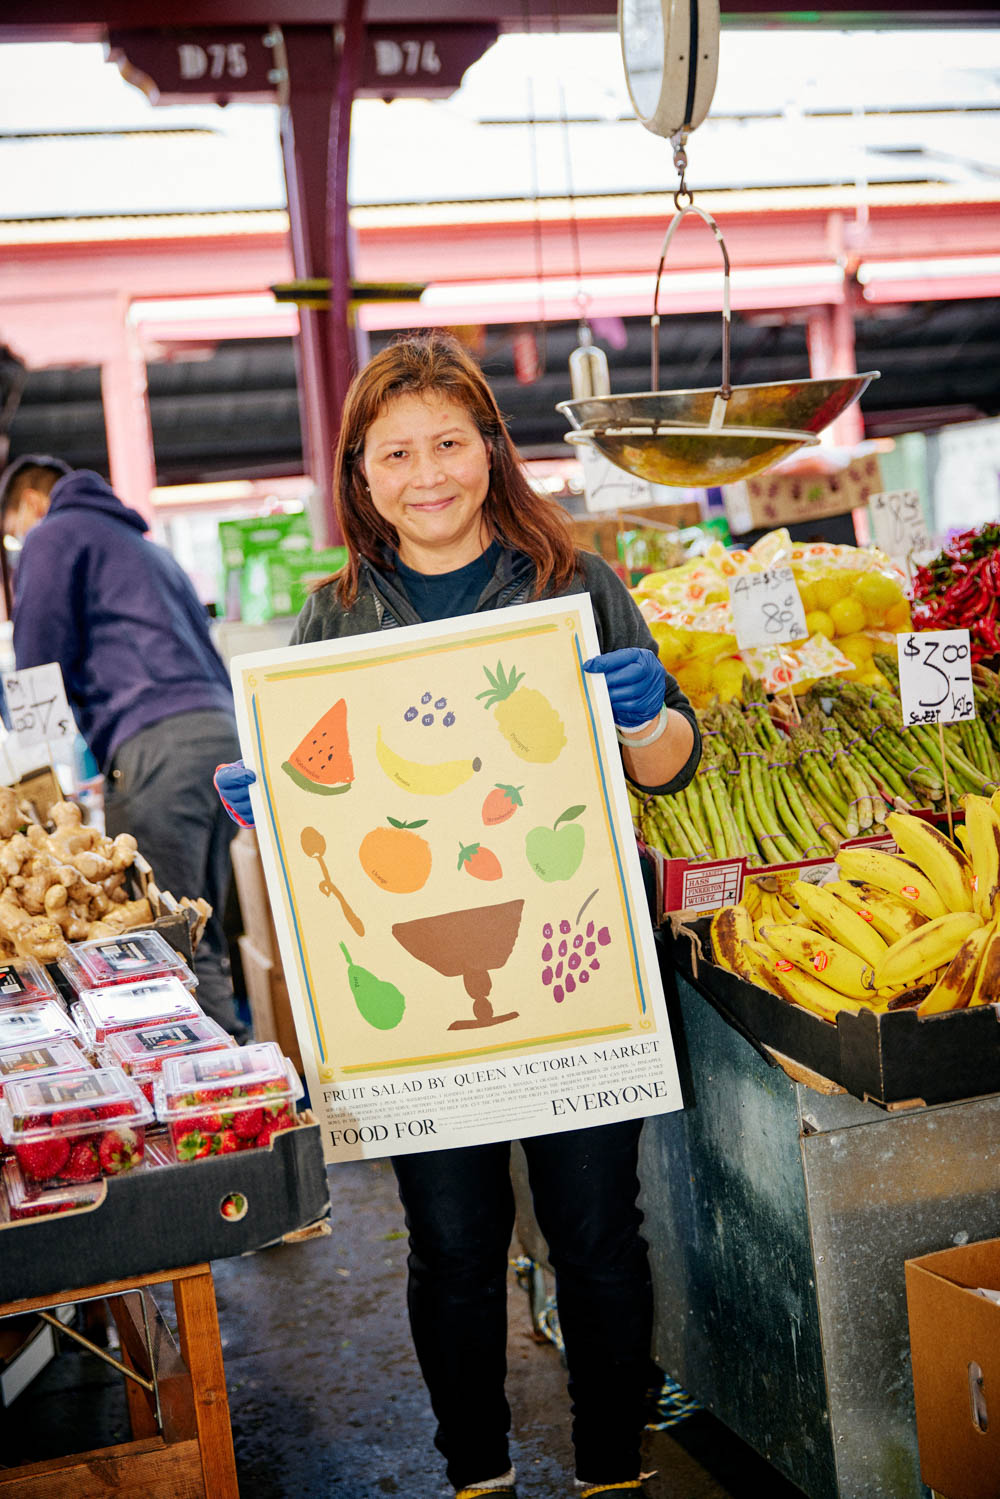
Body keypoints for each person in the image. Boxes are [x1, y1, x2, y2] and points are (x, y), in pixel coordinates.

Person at [214, 333, 701, 1499]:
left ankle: (609, 1470)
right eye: (396, 453)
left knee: (595, 1233)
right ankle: (474, 1474)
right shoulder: (332, 621)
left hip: (577, 970)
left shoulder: (574, 587)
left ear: (489, 449)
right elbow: (323, 818)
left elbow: (670, 768)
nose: (425, 473)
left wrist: (644, 716)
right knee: (451, 1245)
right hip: (418, 1009)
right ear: (360, 473)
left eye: (448, 442)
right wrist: (267, 806)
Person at [0, 455, 246, 1040]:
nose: (17, 546)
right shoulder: (146, 548)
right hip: (222, 739)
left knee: (165, 945)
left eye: (12, 532)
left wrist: (36, 780)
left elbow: (37, 662)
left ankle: (224, 1096)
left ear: (34, 504)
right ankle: (242, 1070)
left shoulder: (54, 533)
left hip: (157, 746)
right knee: (200, 927)